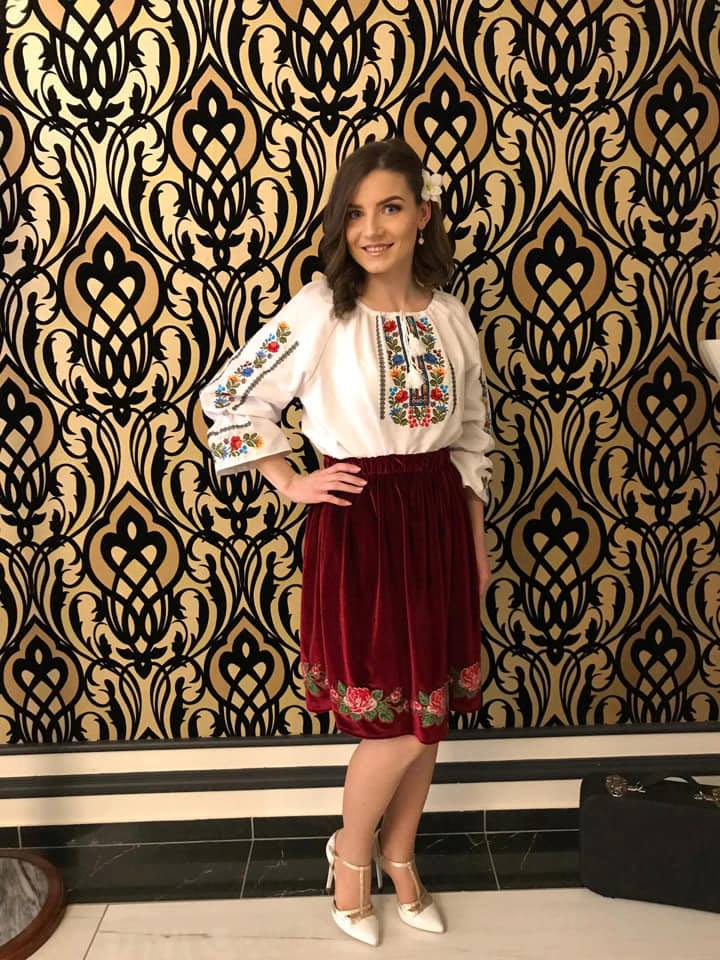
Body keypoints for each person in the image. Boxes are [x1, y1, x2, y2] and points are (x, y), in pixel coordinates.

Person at [199, 137, 494, 947]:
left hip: (438, 524)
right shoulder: (319, 309)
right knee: (391, 728)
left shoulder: (449, 316)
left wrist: (476, 545)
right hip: (361, 530)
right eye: (356, 212)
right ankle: (351, 858)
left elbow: (472, 436)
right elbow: (229, 395)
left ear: (422, 215)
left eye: (390, 208)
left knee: (430, 714)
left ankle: (401, 856)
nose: (372, 229)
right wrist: (289, 479)